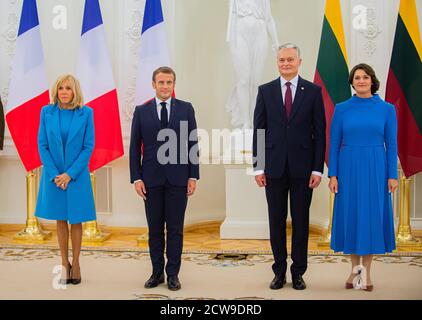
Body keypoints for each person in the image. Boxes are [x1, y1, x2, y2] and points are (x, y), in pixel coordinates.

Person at [253, 43, 326, 290]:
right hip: (272, 169)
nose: (286, 63)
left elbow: (320, 132)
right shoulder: (265, 91)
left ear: (299, 61)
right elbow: (259, 131)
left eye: (290, 60)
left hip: (304, 170)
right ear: (277, 62)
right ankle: (278, 271)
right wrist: (258, 167)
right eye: (282, 60)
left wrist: (317, 169)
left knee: (301, 221)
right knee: (276, 221)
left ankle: (298, 272)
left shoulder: (314, 91)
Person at [328, 63, 398, 291]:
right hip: (348, 168)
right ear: (352, 82)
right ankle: (353, 269)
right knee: (352, 216)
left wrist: (392, 175)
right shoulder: (341, 109)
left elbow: (392, 144)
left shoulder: (387, 109)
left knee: (370, 218)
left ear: (372, 80)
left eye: (365, 77)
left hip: (376, 167)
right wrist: (333, 174)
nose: (360, 81)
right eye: (356, 78)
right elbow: (334, 144)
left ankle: (365, 273)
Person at [129, 66, 200, 291]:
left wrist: (193, 176)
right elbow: (134, 149)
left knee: (176, 229)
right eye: (161, 82)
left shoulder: (186, 109)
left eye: (169, 82)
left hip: (179, 179)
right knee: (155, 229)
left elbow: (192, 144)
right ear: (153, 84)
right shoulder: (141, 111)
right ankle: (157, 272)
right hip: (150, 180)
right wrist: (136, 178)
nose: (165, 86)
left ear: (174, 84)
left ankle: (173, 275)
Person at [35, 74, 96, 285]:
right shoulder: (46, 112)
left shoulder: (86, 113)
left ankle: (76, 263)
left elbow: (88, 146)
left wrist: (70, 174)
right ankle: (63, 263)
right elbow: (42, 145)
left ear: (75, 91)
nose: (64, 92)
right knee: (60, 219)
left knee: (77, 219)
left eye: (68, 88)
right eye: (61, 88)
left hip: (76, 176)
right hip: (54, 177)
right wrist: (55, 174)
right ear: (56, 91)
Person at [226, 0, 279, 129]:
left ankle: (255, 119)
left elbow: (268, 17)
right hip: (240, 32)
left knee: (256, 82)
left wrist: (276, 42)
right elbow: (232, 14)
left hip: (260, 32)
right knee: (243, 80)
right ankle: (245, 121)